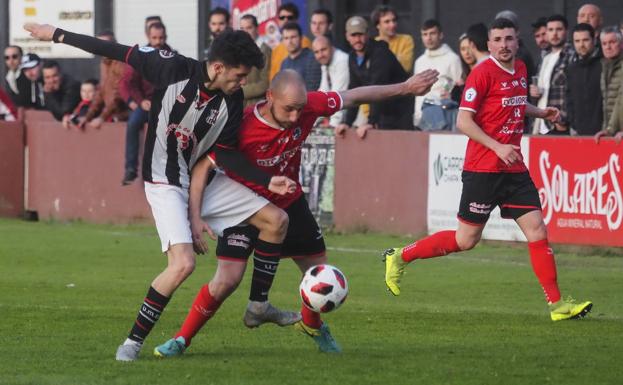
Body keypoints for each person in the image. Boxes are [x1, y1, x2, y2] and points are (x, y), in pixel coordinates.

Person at [24, 21, 297, 362]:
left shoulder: (232, 100)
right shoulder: (171, 66)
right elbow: (116, 51)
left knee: (276, 219)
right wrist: (59, 35)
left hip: (201, 180)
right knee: (182, 265)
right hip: (164, 180)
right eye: (239, 75)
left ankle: (259, 305)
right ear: (217, 67)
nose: (243, 83)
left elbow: (222, 154)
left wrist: (264, 181)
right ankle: (132, 343)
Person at [153, 68, 440, 357]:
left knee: (320, 275)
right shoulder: (241, 125)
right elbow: (204, 166)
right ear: (269, 97)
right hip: (244, 206)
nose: (295, 117)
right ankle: (181, 339)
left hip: (288, 202)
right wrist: (194, 216)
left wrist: (405, 87)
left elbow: (354, 96)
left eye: (299, 109)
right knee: (226, 281)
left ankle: (312, 327)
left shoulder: (307, 106)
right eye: (288, 109)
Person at [382, 18, 593, 323]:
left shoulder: (520, 69)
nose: (504, 45)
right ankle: (400, 255)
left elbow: (513, 105)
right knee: (466, 240)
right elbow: (463, 122)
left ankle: (557, 305)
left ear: (517, 41)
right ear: (490, 44)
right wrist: (497, 146)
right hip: (483, 168)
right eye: (498, 39)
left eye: (509, 38)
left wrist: (538, 111)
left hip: (513, 167)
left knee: (537, 230)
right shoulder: (481, 74)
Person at [337, 16, 413, 137]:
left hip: (400, 110)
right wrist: (347, 122)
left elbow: (378, 86)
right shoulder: (352, 57)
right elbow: (354, 90)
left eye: (360, 34)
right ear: (347, 36)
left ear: (367, 34)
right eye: (353, 35)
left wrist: (371, 122)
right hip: (382, 112)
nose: (357, 39)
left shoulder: (380, 52)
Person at [118, 21, 170, 185]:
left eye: (161, 38)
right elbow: (130, 83)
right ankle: (131, 169)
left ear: (165, 37)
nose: (158, 41)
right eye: (154, 37)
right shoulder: (141, 55)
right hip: (146, 103)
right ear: (148, 37)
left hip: (167, 104)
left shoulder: (172, 55)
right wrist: (140, 102)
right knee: (133, 124)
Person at [413, 19, 462, 130]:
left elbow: (459, 89)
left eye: (432, 33)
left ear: (441, 35)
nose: (428, 38)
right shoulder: (419, 61)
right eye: (425, 34)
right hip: (421, 118)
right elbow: (417, 93)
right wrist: (417, 118)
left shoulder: (453, 59)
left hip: (445, 118)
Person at [531, 15, 575, 135]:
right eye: (550, 30)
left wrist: (563, 121)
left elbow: (574, 92)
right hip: (540, 125)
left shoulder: (572, 55)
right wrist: (533, 93)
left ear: (567, 31)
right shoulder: (545, 58)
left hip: (560, 125)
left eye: (559, 29)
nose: (554, 34)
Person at [81, 30, 129, 129]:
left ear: (114, 44)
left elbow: (118, 95)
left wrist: (102, 117)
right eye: (99, 44)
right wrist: (88, 116)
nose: (102, 47)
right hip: (111, 113)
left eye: (105, 44)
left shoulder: (121, 63)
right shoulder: (104, 62)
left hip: (124, 115)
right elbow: (101, 91)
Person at [566, 23, 602, 136]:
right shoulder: (571, 68)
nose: (581, 45)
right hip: (578, 133)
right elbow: (569, 99)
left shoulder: (604, 65)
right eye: (577, 41)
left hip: (604, 133)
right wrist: (573, 124)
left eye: (585, 40)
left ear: (594, 40)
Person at [594, 27, 623, 143]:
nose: (608, 47)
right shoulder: (603, 66)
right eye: (604, 43)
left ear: (621, 44)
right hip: (613, 133)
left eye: (612, 42)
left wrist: (610, 129)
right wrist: (607, 129)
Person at [312, 35, 350, 127]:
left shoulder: (342, 60)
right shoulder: (326, 62)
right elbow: (322, 93)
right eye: (317, 52)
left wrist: (333, 125)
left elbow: (339, 95)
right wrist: (313, 121)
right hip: (343, 117)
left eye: (323, 49)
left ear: (332, 48)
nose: (320, 55)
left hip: (354, 118)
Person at [269, 3, 312, 80]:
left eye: (290, 17)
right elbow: (272, 77)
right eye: (282, 17)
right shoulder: (276, 49)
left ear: (296, 20)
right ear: (278, 21)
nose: (286, 20)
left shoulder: (304, 41)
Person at [239, 14, 271, 107]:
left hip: (256, 105)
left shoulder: (264, 50)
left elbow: (265, 84)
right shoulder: (239, 49)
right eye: (242, 28)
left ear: (257, 29)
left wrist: (239, 91)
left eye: (249, 28)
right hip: (240, 105)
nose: (245, 32)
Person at [372, 5, 415, 74]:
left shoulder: (406, 40)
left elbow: (406, 67)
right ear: (378, 25)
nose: (392, 25)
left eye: (394, 20)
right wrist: (397, 59)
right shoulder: (372, 44)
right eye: (387, 21)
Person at [280, 22, 321, 91]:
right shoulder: (284, 63)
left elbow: (313, 88)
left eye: (293, 37)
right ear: (283, 41)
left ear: (301, 38)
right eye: (286, 38)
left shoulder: (312, 58)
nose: (290, 41)